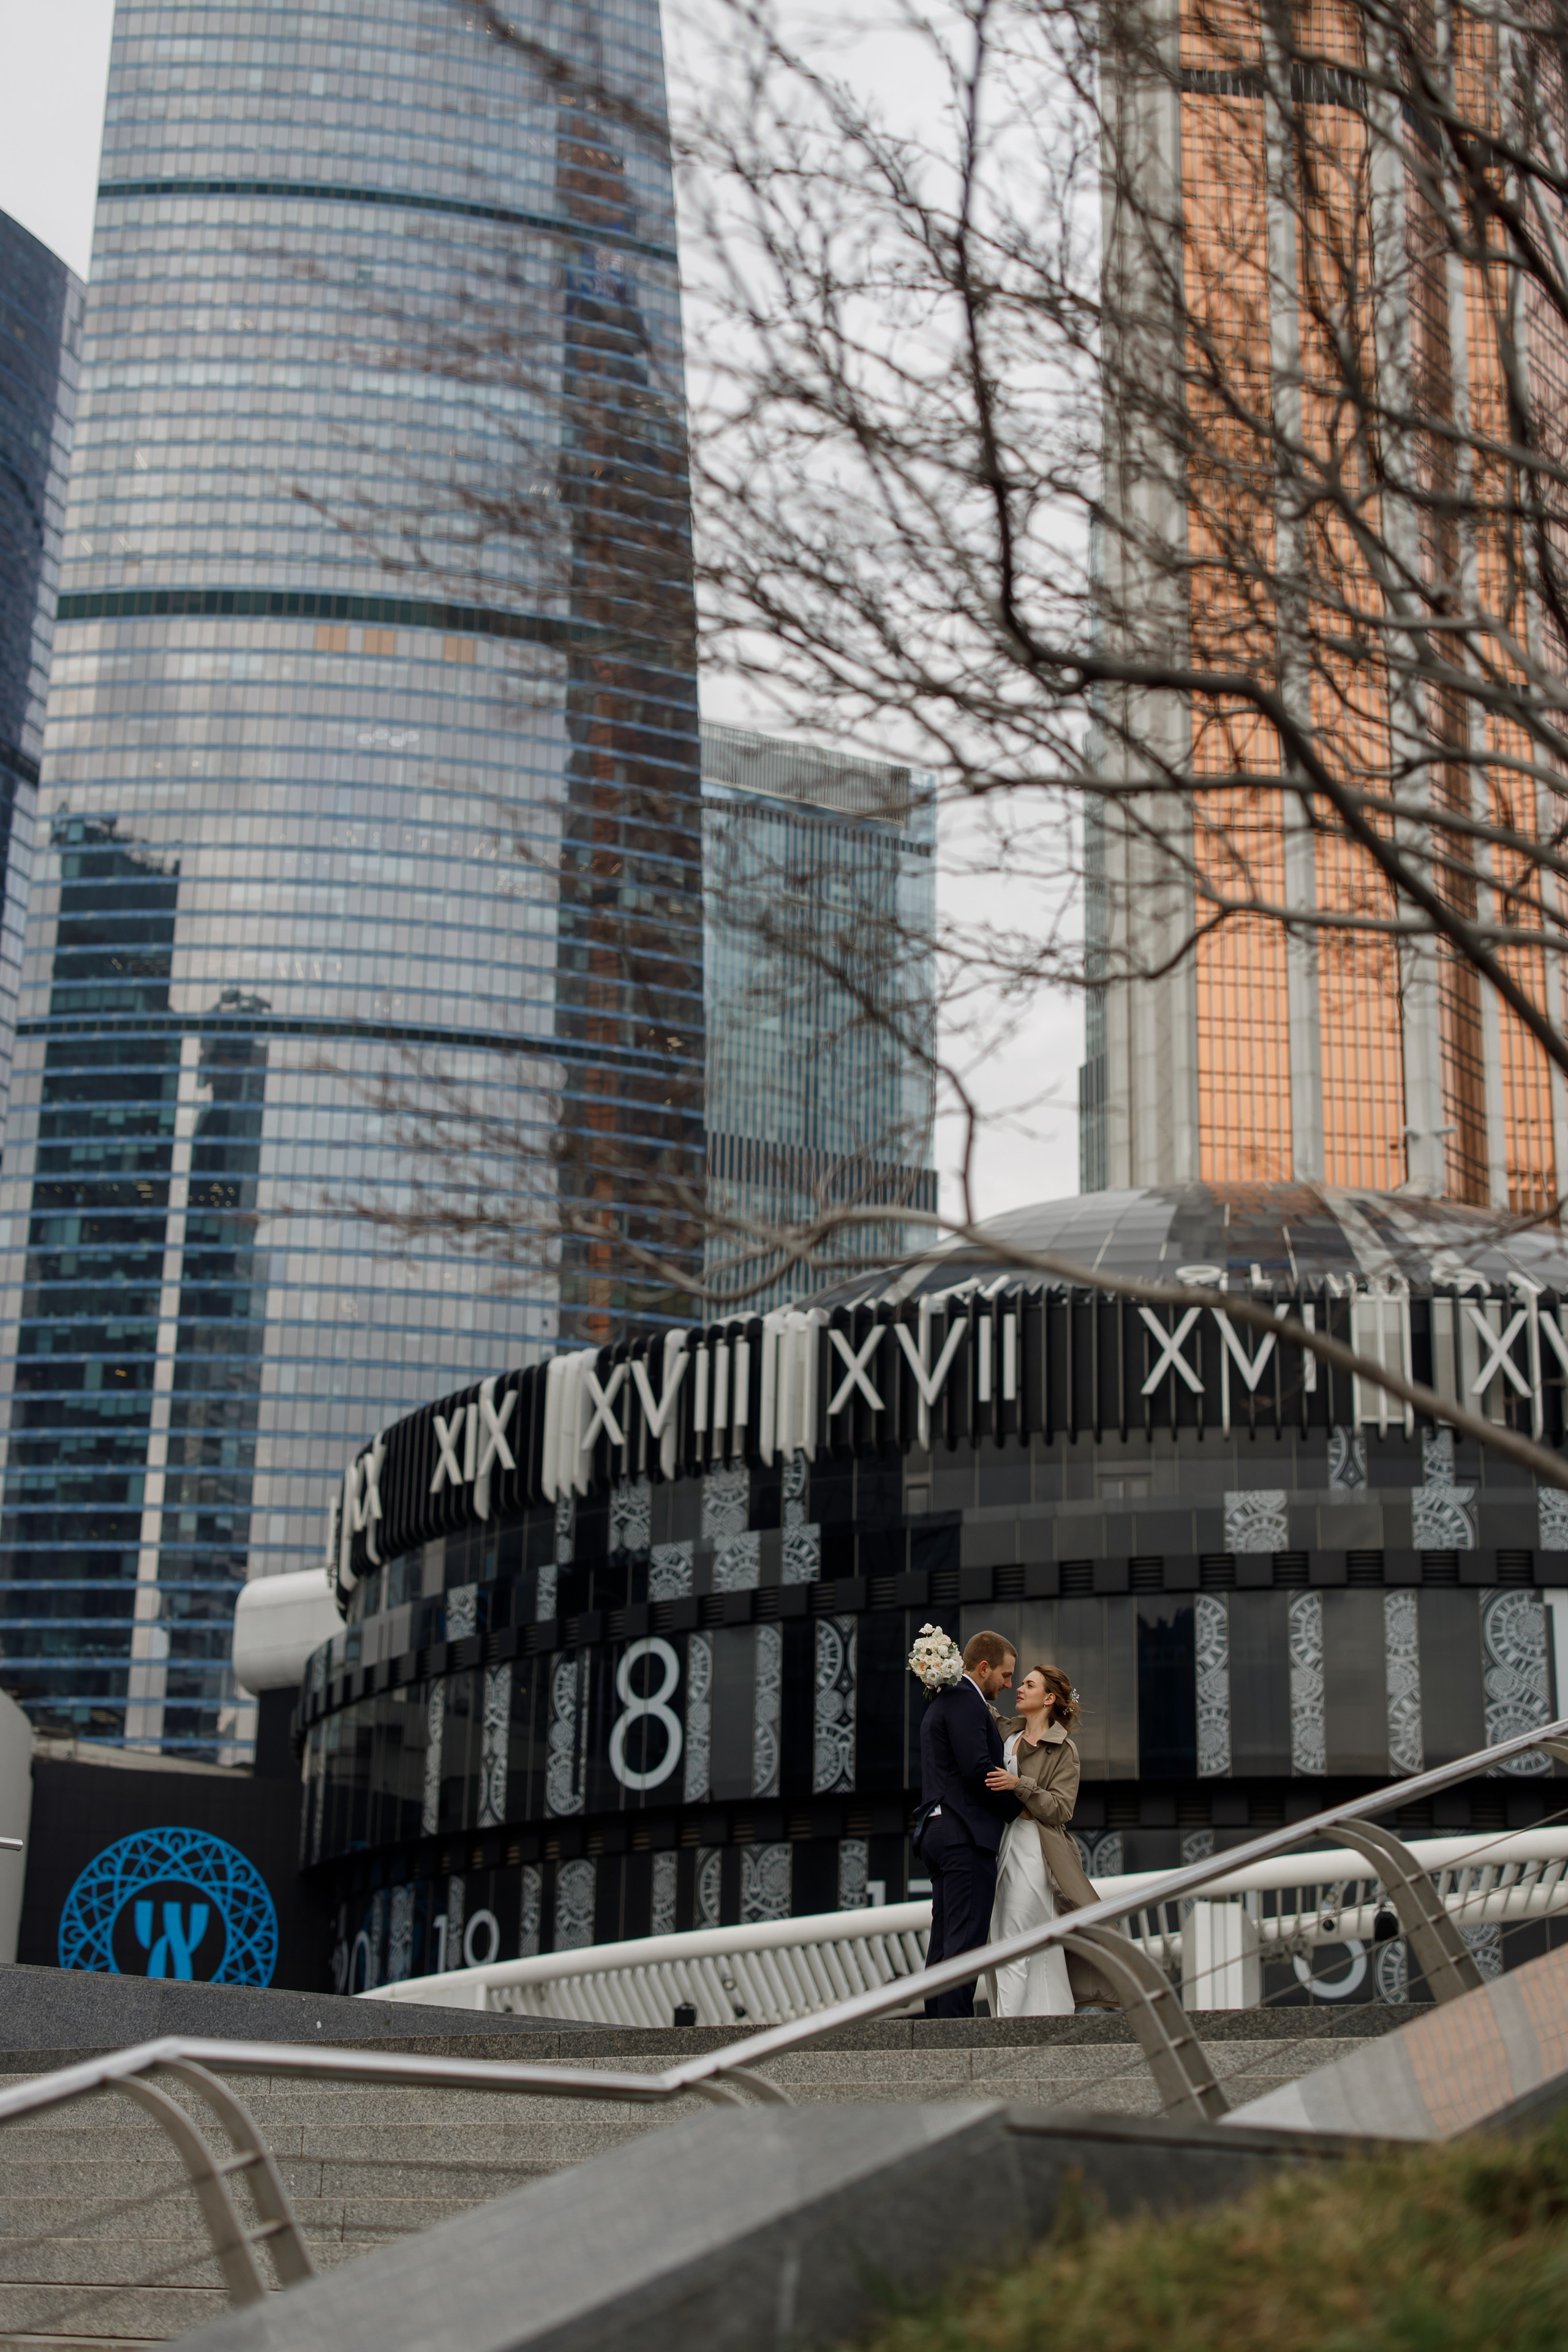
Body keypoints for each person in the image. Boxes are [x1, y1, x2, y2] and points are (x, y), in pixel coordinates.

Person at [983, 1664, 1121, 2014]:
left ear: (1047, 1698)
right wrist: (944, 1670)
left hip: (1035, 1852)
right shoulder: (1006, 1732)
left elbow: (1061, 1809)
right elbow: (975, 1701)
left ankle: (1009, 2031)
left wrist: (1020, 1785)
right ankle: (1049, 2019)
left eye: (1029, 1684)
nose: (1019, 1688)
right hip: (1002, 1847)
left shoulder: (1064, 1750)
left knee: (1016, 1939)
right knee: (1009, 1938)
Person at [916, 1629, 1019, 2017]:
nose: (1008, 1685)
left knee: (944, 1941)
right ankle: (954, 2037)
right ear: (983, 1667)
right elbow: (979, 1769)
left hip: (940, 1831)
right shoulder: (964, 1700)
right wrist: (1020, 1808)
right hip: (964, 1834)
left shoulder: (945, 1701)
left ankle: (939, 2030)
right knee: (965, 1941)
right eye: (1006, 1676)